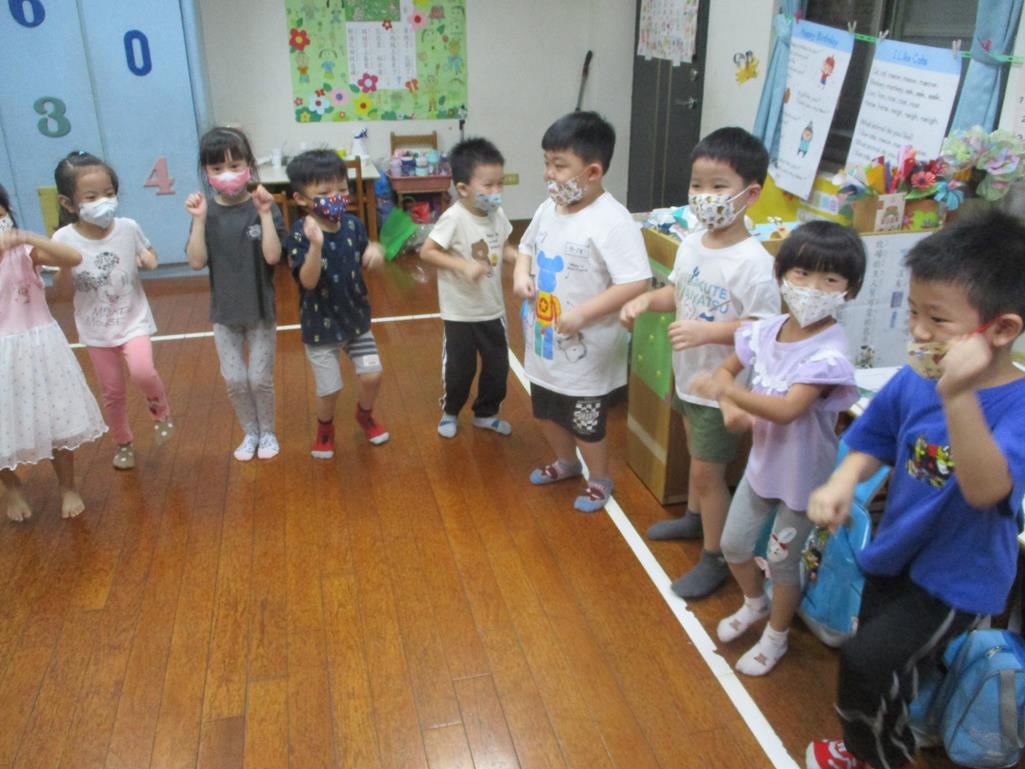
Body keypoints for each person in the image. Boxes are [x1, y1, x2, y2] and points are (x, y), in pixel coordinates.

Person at [805, 209, 1025, 769]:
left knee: (865, 663)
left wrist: (958, 394)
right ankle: (900, 723)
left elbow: (985, 489)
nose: (919, 331)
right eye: (914, 312)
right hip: (897, 553)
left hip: (957, 578)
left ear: (1001, 330)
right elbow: (872, 437)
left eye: (938, 319)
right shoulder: (915, 379)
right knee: (886, 660)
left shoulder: (1016, 405)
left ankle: (880, 754)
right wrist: (842, 480)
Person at [691, 221, 865, 676]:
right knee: (733, 545)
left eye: (830, 279)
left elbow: (788, 409)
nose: (813, 289)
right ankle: (755, 603)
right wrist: (728, 402)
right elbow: (727, 372)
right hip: (762, 468)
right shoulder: (766, 331)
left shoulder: (830, 353)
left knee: (784, 564)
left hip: (804, 482)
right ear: (782, 274)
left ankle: (777, 636)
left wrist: (727, 392)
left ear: (849, 291)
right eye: (802, 274)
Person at [621, 127, 780, 598]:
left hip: (724, 388)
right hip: (691, 377)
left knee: (708, 474)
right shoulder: (693, 242)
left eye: (718, 186)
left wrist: (708, 332)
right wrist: (648, 301)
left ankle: (716, 557)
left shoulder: (753, 263)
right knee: (695, 456)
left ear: (751, 194)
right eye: (697, 184)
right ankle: (695, 518)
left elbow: (764, 328)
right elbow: (679, 292)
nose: (704, 196)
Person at [514, 111, 651, 512]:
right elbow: (525, 247)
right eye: (546, 162)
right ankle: (566, 462)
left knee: (586, 423)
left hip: (587, 349)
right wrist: (521, 274)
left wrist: (584, 314)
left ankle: (600, 477)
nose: (548, 174)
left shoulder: (613, 221)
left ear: (592, 172)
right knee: (545, 411)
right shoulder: (548, 208)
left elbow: (635, 282)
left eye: (559, 166)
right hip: (544, 340)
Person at [52, 151, 174, 471]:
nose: (103, 202)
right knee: (112, 391)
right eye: (91, 197)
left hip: (133, 320)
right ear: (68, 203)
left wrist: (149, 260)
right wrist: (64, 267)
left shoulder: (128, 228)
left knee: (143, 372)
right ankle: (123, 442)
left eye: (109, 193)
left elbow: (149, 253)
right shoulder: (63, 238)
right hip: (96, 330)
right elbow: (61, 291)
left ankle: (161, 413)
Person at [0, 183, 106, 521]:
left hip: (39, 347)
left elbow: (72, 257)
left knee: (56, 419)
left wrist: (26, 237)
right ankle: (12, 487)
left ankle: (68, 487)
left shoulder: (24, 253)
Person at [185, 127, 286, 461]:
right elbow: (196, 261)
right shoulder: (207, 211)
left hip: (260, 311)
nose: (227, 174)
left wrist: (265, 214)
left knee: (259, 379)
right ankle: (250, 432)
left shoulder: (263, 206)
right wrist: (198, 221)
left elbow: (273, 257)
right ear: (206, 172)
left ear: (249, 166)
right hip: (224, 313)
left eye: (234, 165)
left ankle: (268, 433)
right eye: (217, 168)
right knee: (235, 381)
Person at [284, 149, 388, 458]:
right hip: (320, 325)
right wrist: (316, 246)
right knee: (329, 390)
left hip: (355, 320)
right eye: (324, 193)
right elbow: (308, 281)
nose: (336, 197)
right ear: (301, 198)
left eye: (342, 189)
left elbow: (367, 253)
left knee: (372, 375)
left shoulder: (353, 225)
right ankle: (325, 428)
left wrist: (375, 252)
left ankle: (364, 415)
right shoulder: (300, 233)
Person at [420, 137, 518, 439]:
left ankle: (486, 414)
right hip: (460, 312)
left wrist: (517, 258)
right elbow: (427, 252)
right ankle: (450, 412)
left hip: (493, 310)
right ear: (463, 188)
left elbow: (504, 246)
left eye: (500, 183)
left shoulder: (497, 214)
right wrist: (462, 266)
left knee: (498, 368)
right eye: (488, 185)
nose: (496, 191)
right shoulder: (453, 218)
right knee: (459, 370)